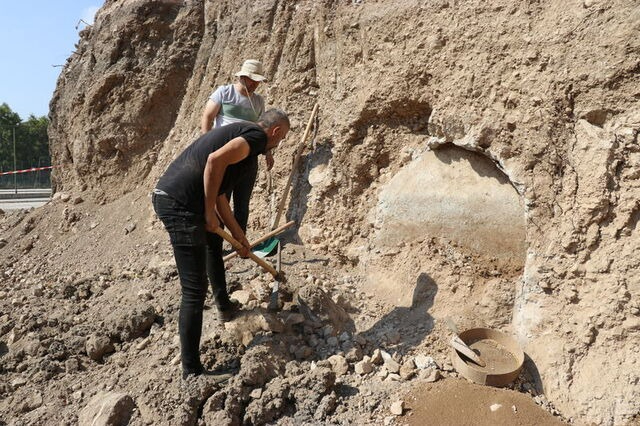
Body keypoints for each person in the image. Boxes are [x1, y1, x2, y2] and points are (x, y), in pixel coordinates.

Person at [153, 109, 290, 378]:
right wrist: (207, 213)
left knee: (196, 284)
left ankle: (196, 358)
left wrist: (239, 235)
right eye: (281, 137)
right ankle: (191, 372)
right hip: (180, 204)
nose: (279, 143)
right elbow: (214, 162)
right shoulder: (255, 138)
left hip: (175, 199)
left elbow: (219, 197)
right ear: (275, 131)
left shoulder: (243, 137)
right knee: (194, 290)